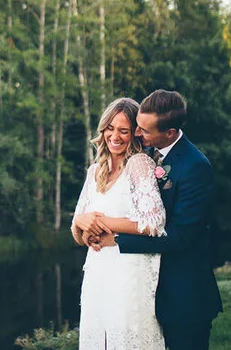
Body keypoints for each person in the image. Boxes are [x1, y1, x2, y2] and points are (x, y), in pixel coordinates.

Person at [93, 90, 223, 350]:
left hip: (183, 295)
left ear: (170, 133)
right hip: (144, 290)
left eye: (144, 130)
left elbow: (180, 238)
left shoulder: (195, 167)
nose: (137, 134)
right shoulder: (147, 154)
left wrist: (117, 240)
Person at [71, 97, 167, 349]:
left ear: (134, 133)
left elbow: (154, 222)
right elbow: (78, 229)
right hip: (97, 270)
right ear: (102, 131)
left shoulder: (139, 164)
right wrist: (83, 222)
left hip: (128, 271)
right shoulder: (95, 171)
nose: (115, 136)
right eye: (110, 129)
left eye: (123, 130)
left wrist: (103, 222)